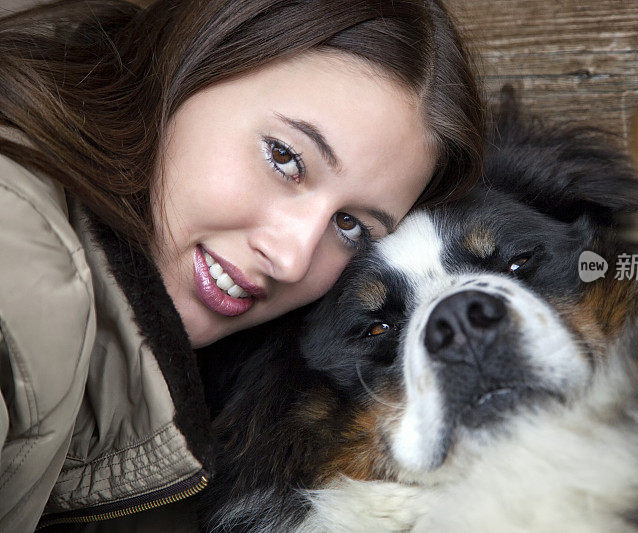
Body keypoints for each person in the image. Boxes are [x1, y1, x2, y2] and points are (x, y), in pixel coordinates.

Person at [0, 0, 483, 530]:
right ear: (193, 63)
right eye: (285, 158)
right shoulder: (19, 273)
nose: (293, 259)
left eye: (350, 226)